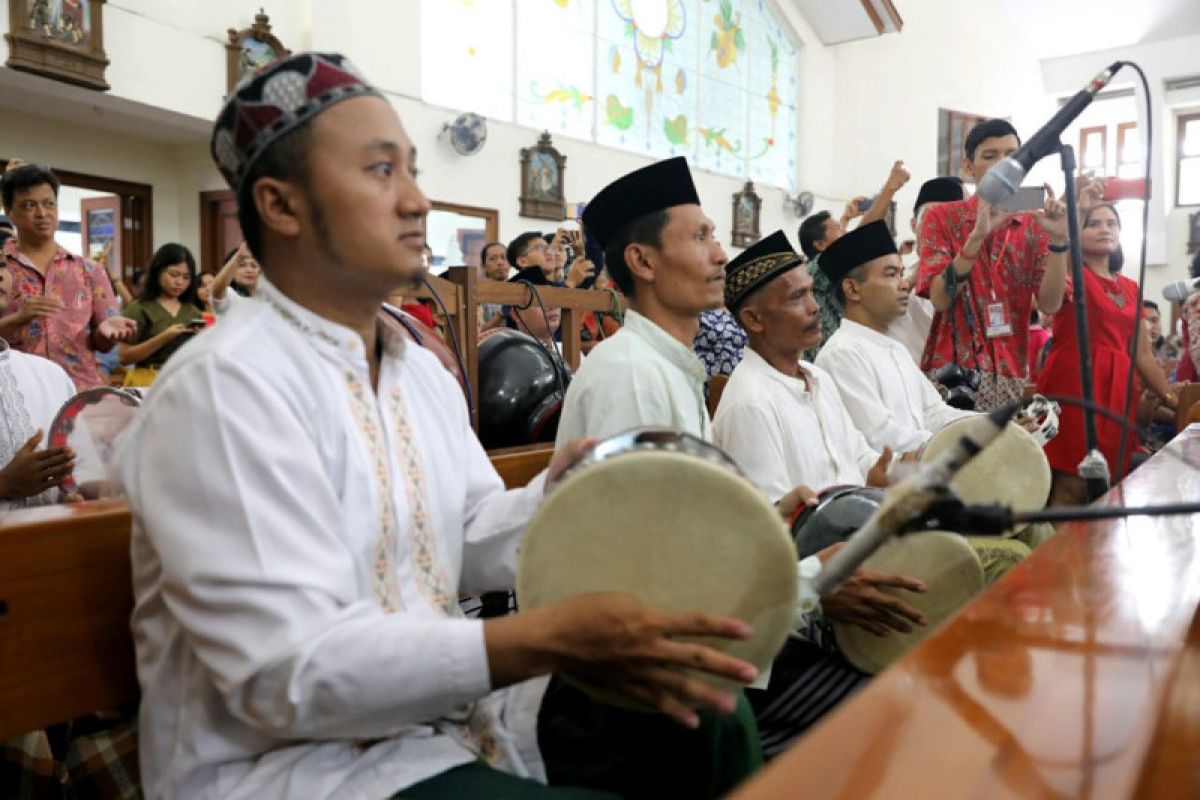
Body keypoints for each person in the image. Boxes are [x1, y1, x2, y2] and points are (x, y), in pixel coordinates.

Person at [118, 52, 762, 800]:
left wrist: (571, 499)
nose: (417, 201)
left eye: (413, 172)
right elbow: (285, 675)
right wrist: (541, 638)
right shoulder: (226, 386)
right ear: (281, 206)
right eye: (380, 172)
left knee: (703, 711)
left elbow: (464, 528)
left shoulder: (413, 366)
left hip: (438, 721)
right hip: (292, 767)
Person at [916, 119, 1073, 411]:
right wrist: (976, 237)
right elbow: (939, 298)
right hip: (951, 373)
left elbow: (1050, 305)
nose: (1003, 164)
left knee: (1001, 456)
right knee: (952, 455)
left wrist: (1059, 239)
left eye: (1012, 156)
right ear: (968, 167)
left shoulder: (1035, 224)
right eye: (990, 156)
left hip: (1009, 372)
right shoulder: (942, 218)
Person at [1036, 202, 1176, 506]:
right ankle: (1058, 554)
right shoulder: (1071, 273)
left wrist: (1172, 400)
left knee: (1110, 484)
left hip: (1117, 390)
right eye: (1094, 223)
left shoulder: (1129, 287)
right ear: (1078, 232)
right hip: (1074, 382)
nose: (1105, 229)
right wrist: (1060, 240)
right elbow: (1048, 301)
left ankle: (1095, 553)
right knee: (1071, 483)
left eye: (1111, 223)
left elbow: (1143, 355)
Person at [814, 220, 977, 455]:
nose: (904, 285)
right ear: (852, 289)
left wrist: (993, 425)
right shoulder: (842, 354)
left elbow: (934, 412)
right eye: (891, 275)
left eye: (902, 273)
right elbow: (881, 437)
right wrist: (964, 444)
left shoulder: (895, 348)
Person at [0, 163, 136, 389]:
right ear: (10, 212)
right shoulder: (2, 268)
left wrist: (108, 334)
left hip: (79, 393)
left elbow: (102, 345)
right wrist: (17, 320)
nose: (42, 213)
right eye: (29, 205)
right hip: (18, 395)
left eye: (49, 204)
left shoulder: (89, 270)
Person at [797, 160, 911, 360]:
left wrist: (845, 218)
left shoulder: (826, 269)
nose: (846, 232)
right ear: (819, 245)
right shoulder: (814, 270)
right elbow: (860, 237)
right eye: (840, 230)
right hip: (829, 358)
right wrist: (890, 188)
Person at [0, 267, 76, 512]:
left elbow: (80, 471)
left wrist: (77, 495)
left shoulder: (50, 375)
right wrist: (3, 484)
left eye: (1, 262)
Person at [887, 177, 966, 363]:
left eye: (950, 220)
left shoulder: (980, 280)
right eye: (932, 218)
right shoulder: (896, 278)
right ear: (914, 225)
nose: (940, 228)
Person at [118, 243, 204, 386]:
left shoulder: (192, 311)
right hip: (148, 381)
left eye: (186, 277)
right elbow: (124, 356)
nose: (179, 282)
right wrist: (165, 337)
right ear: (157, 272)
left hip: (185, 380)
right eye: (173, 275)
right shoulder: (139, 308)